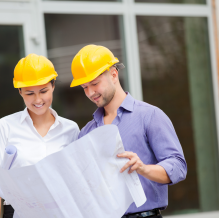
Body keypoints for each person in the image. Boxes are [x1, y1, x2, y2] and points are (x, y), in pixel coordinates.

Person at [70, 45, 187, 218]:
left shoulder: (149, 116)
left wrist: (144, 169)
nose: (90, 92)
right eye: (84, 87)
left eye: (94, 83)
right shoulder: (87, 133)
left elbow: (178, 166)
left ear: (114, 74)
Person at [0, 54, 80, 218]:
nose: (38, 100)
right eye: (30, 93)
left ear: (53, 85)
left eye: (43, 91)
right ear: (20, 91)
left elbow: (76, 182)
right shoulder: (5, 127)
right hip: (17, 211)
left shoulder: (70, 130)